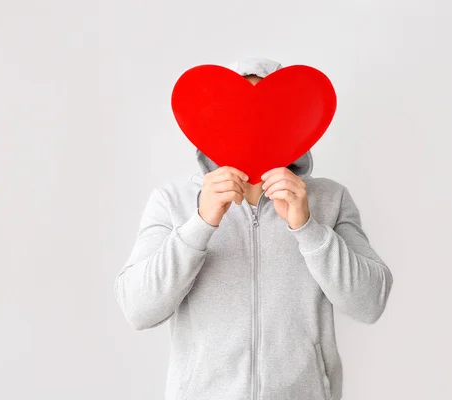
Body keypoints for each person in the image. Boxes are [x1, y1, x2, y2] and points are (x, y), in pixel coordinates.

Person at [114, 56, 394, 400]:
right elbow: (138, 309)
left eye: (269, 114)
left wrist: (307, 227)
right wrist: (200, 224)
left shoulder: (329, 199)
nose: (254, 126)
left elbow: (370, 303)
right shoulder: (172, 200)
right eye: (240, 113)